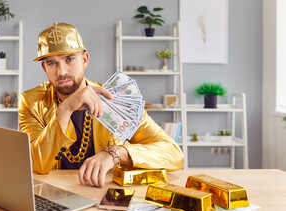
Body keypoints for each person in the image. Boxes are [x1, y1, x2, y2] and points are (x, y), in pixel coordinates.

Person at [19, 23, 183, 188]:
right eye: (52, 63)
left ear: (84, 59)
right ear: (44, 67)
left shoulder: (115, 99)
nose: (62, 72)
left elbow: (174, 154)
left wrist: (117, 153)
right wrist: (65, 109)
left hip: (106, 191)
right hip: (55, 192)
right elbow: (36, 164)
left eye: (69, 59)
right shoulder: (31, 102)